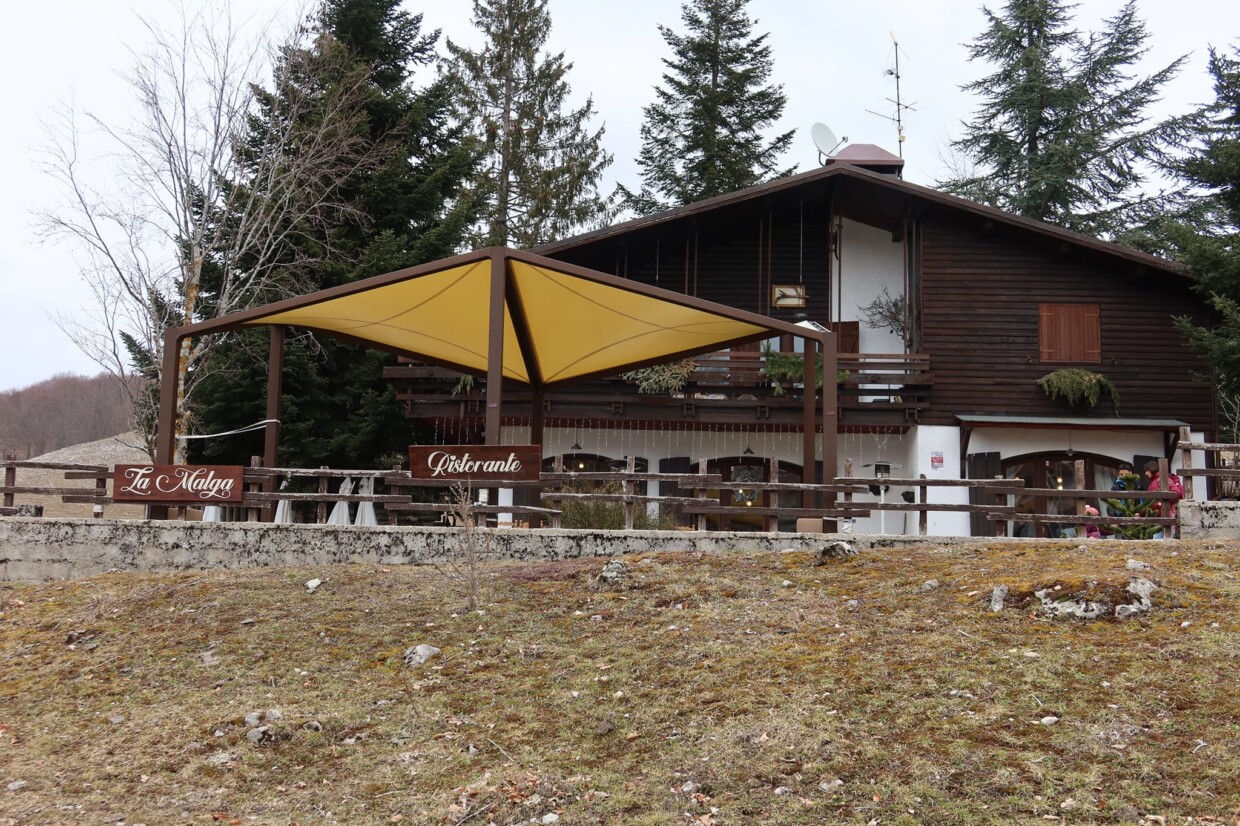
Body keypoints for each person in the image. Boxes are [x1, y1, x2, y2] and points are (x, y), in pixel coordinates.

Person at [1143, 460, 1184, 538]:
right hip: (1157, 516)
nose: (1146, 474)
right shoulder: (1152, 482)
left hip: (1165, 513)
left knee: (1163, 539)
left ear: (1151, 469)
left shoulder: (1162, 480)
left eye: (1147, 471)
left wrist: (1162, 503)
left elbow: (1176, 493)